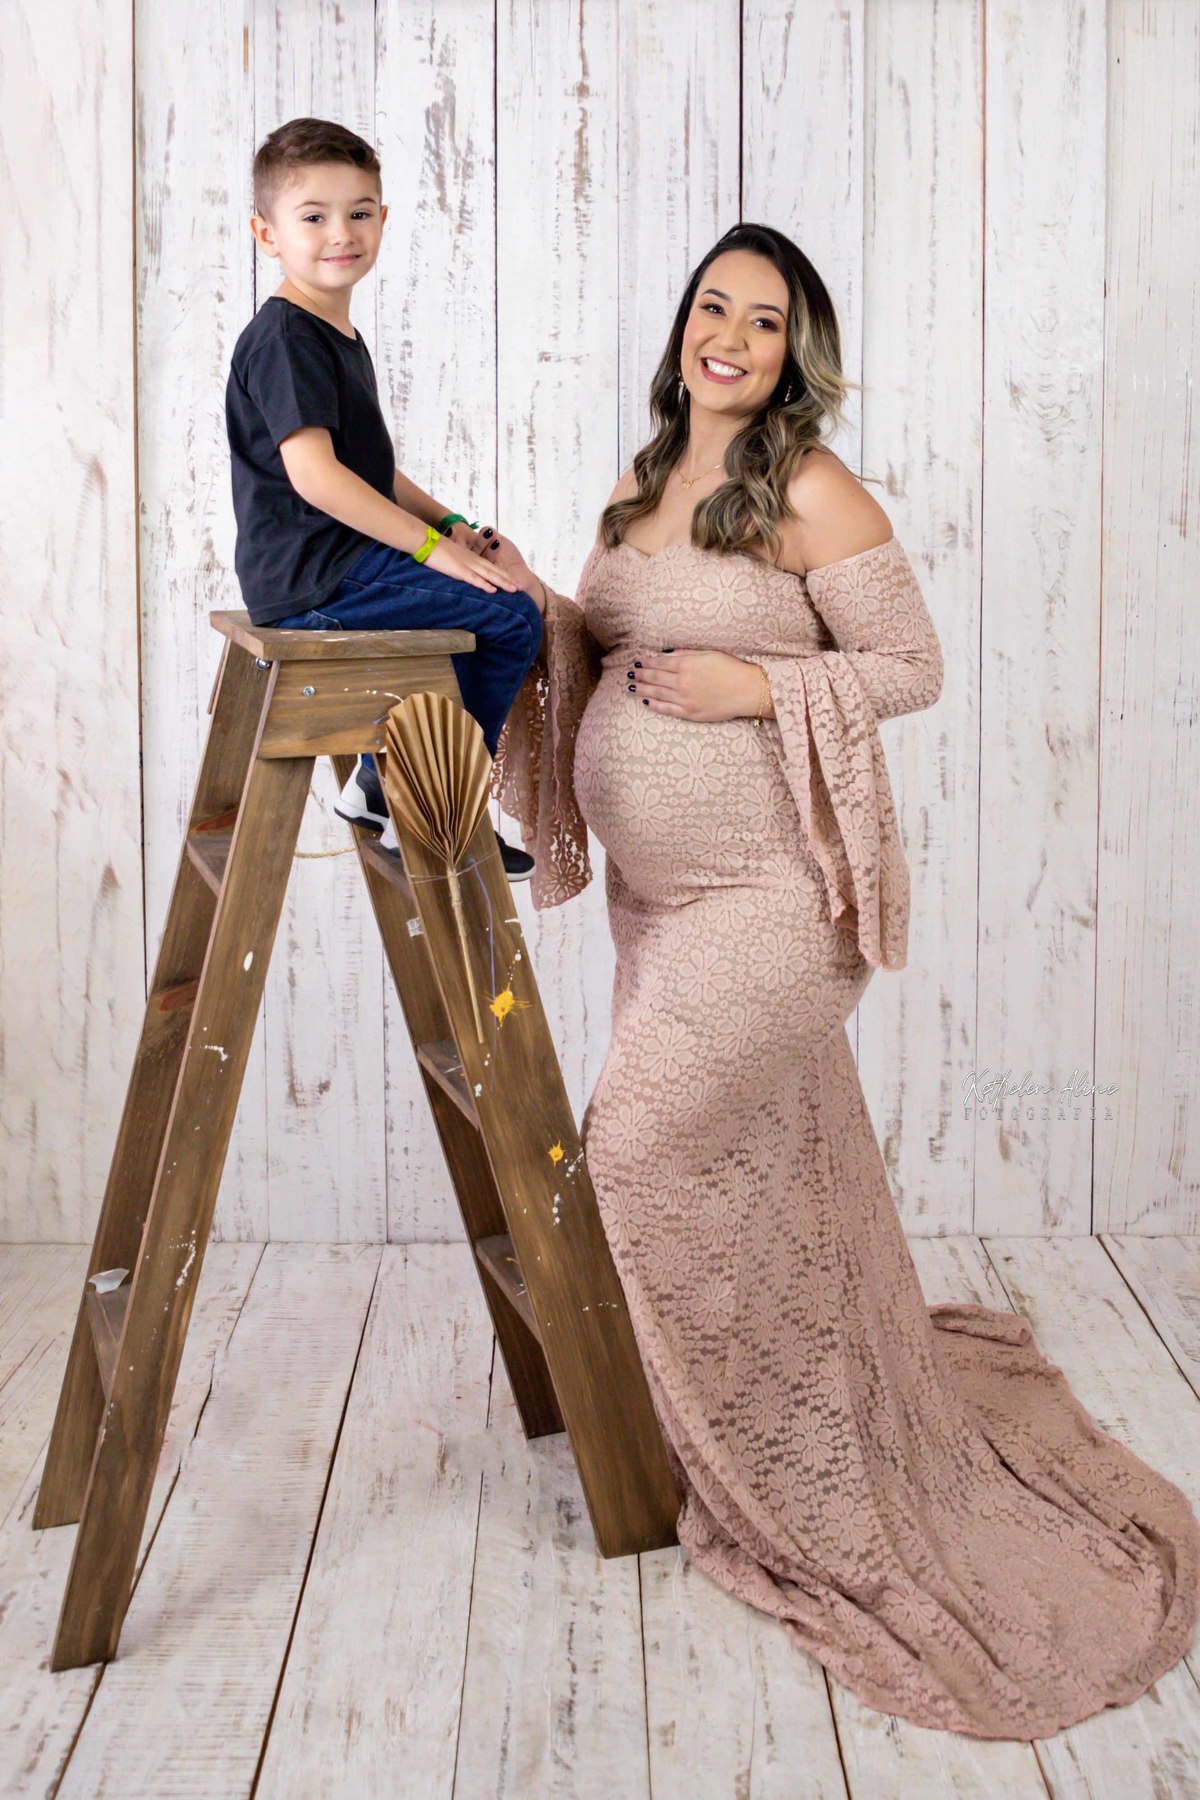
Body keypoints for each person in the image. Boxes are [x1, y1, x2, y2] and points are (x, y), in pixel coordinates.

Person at [483, 221, 1200, 1739]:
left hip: (772, 900)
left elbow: (911, 666)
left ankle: (761, 1458)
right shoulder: (644, 478)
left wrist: (759, 683)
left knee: (640, 1150)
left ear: (795, 350)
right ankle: (766, 1392)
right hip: (660, 906)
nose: (730, 336)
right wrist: (536, 592)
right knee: (759, 1169)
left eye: (765, 319)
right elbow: (606, 641)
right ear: (683, 324)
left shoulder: (809, 488)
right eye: (714, 306)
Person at [224, 116, 543, 880]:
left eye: (359, 212)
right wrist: (430, 551)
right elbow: (317, 478)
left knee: (501, 600)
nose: (341, 232)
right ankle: (432, 803)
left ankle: (380, 783)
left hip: (341, 562)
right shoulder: (287, 339)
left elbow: (369, 472)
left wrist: (450, 524)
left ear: (383, 219)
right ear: (266, 234)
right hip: (314, 578)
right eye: (313, 217)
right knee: (509, 615)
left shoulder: (335, 334)